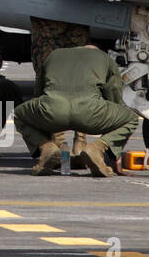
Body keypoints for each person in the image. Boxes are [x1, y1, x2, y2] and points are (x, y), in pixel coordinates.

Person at [13, 42, 141, 177]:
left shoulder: (54, 55)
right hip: (89, 114)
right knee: (130, 119)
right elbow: (114, 96)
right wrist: (115, 155)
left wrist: (43, 119)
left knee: (19, 115)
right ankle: (97, 148)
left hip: (52, 112)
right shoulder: (104, 58)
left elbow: (38, 92)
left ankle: (45, 147)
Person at [29, 16, 92, 164]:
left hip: (56, 14)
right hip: (66, 15)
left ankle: (70, 141)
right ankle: (69, 141)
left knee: (62, 80)